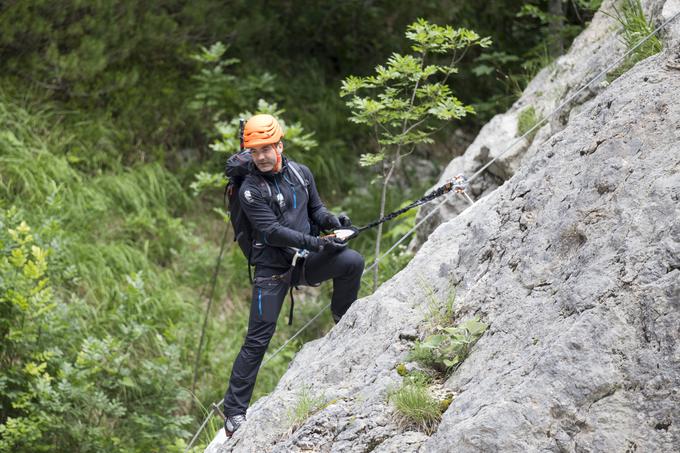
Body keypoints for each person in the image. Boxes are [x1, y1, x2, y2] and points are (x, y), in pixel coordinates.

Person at [222, 114, 364, 436]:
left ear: (279, 145)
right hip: (272, 270)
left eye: (266, 149)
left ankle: (344, 322)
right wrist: (317, 243)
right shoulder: (249, 190)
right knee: (257, 340)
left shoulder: (301, 174)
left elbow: (316, 210)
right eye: (254, 150)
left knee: (352, 261)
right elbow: (271, 231)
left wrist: (333, 222)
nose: (260, 156)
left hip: (304, 260)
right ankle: (233, 413)